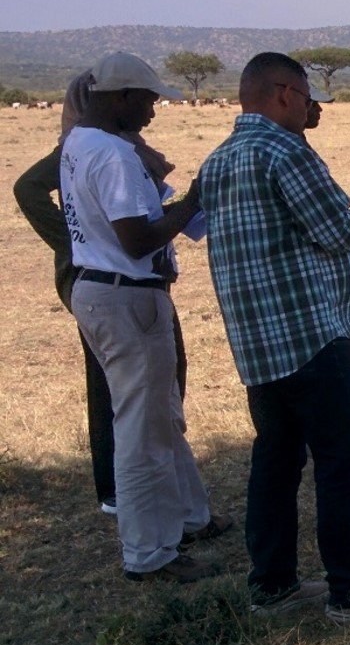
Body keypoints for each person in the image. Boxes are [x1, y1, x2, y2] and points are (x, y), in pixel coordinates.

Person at [198, 52, 350, 622]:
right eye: (305, 96)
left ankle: (271, 585)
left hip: (257, 345)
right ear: (281, 93)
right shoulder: (285, 150)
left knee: (274, 464)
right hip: (311, 336)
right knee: (342, 464)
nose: (309, 106)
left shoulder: (218, 160)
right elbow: (334, 230)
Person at [61, 51, 227, 583]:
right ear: (122, 98)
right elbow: (136, 239)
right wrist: (192, 201)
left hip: (101, 289)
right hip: (128, 295)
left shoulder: (78, 143)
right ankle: (149, 553)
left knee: (159, 415)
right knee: (140, 431)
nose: (153, 112)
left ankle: (189, 517)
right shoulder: (112, 154)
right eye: (148, 101)